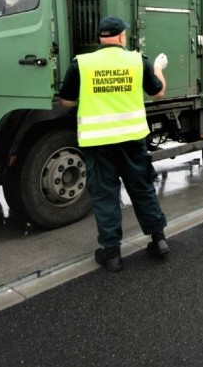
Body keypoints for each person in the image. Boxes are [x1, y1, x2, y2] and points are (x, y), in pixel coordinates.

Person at [57, 15, 170, 272]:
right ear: (121, 37)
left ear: (100, 38)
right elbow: (159, 92)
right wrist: (159, 70)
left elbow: (66, 101)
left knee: (105, 195)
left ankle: (112, 254)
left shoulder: (81, 64)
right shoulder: (137, 61)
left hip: (97, 142)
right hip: (132, 140)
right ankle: (159, 240)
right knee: (141, 188)